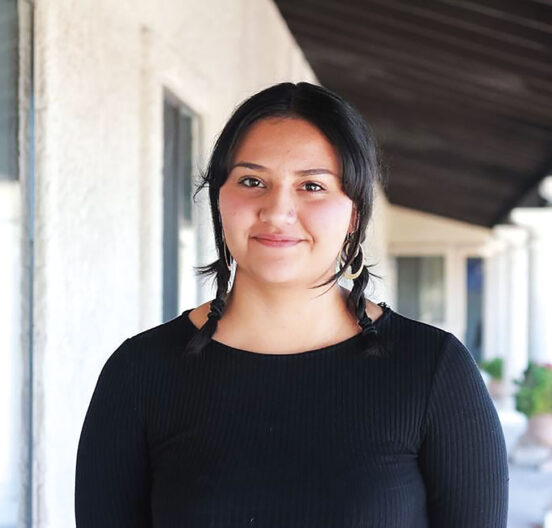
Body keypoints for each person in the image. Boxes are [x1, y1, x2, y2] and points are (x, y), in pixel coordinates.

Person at [75, 81, 509, 527]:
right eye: (252, 181)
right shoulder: (140, 372)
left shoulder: (432, 369)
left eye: (312, 186)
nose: (278, 211)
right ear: (219, 198)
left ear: (354, 211)